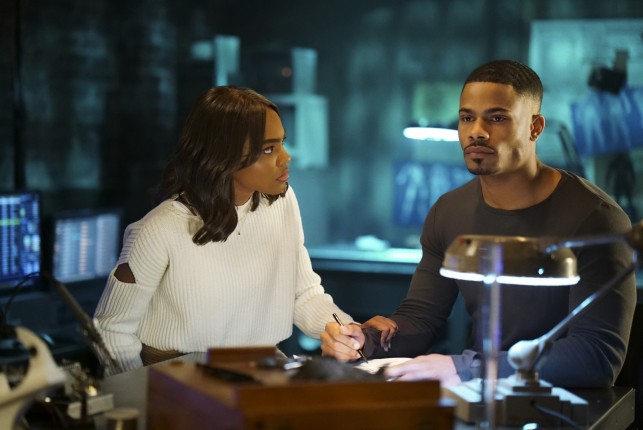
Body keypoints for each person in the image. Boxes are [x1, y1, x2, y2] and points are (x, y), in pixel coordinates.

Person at [320, 59, 637, 388]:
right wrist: (364, 341)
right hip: (475, 396)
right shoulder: (449, 211)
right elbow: (421, 318)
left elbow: (595, 357)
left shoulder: (597, 219)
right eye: (467, 118)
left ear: (535, 127)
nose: (477, 132)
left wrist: (466, 368)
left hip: (563, 403)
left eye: (497, 118)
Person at [94, 86, 353, 374]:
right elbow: (111, 330)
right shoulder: (159, 228)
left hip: (267, 372)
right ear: (223, 156)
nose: (285, 157)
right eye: (268, 149)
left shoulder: (282, 202)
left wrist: (345, 330)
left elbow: (303, 294)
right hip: (181, 380)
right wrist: (139, 393)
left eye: (282, 143)